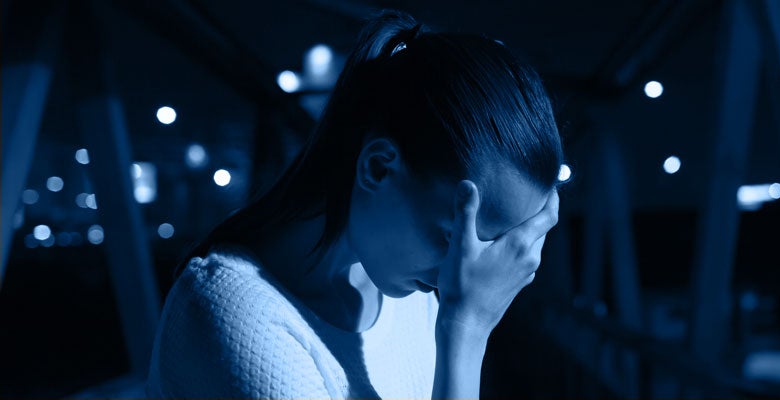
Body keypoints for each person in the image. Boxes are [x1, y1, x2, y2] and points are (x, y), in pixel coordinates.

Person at [145, 9, 564, 399]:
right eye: (450, 239)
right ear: (378, 168)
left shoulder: (404, 284)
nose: (459, 275)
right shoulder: (236, 313)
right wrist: (467, 329)